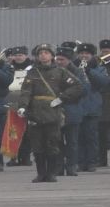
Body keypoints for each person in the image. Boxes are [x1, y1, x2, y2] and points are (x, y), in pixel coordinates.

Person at [17, 44, 79, 183]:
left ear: (52, 55)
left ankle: (51, 173)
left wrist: (62, 98)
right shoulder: (32, 72)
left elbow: (77, 86)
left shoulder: (60, 71)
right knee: (37, 145)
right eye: (40, 53)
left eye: (46, 52)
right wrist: (22, 106)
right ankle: (41, 173)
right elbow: (26, 91)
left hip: (52, 112)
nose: (43, 55)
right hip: (35, 113)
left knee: (52, 144)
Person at [71, 41, 105, 174]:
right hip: (77, 106)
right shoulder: (73, 67)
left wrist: (89, 71)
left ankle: (91, 162)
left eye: (87, 53)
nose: (84, 56)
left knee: (91, 137)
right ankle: (80, 162)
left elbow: (103, 82)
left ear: (92, 55)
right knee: (78, 137)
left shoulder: (98, 67)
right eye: (81, 53)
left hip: (92, 106)